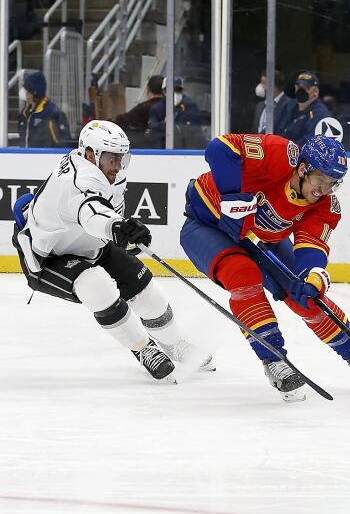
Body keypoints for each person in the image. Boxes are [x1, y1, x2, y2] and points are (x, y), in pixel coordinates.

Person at [179, 133, 350, 402]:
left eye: (332, 183)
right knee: (244, 276)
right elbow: (220, 148)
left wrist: (312, 277)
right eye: (319, 180)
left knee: (309, 297)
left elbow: (311, 247)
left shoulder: (326, 206)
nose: (323, 191)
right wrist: (233, 200)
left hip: (262, 239)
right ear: (302, 169)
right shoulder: (279, 153)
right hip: (206, 226)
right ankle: (273, 359)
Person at [10, 120, 213, 381]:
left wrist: (122, 233)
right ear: (91, 153)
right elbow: (90, 211)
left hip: (91, 243)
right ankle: (143, 348)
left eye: (121, 158)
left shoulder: (101, 168)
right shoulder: (79, 180)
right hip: (48, 257)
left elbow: (102, 211)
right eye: (111, 159)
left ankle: (173, 343)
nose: (117, 166)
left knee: (147, 292)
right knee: (96, 286)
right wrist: (117, 227)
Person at [274, 71, 331, 147]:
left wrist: (282, 146)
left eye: (306, 87)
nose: (300, 90)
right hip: (276, 151)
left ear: (315, 91)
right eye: (298, 86)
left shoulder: (320, 113)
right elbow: (273, 127)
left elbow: (308, 142)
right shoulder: (288, 105)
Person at [17, 70, 70, 148]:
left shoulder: (52, 113)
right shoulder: (24, 113)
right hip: (25, 159)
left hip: (44, 159)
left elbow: (62, 144)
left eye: (27, 91)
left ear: (34, 93)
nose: (24, 93)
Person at [147, 76, 202, 147]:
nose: (174, 93)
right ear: (163, 91)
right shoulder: (157, 108)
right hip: (162, 149)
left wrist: (173, 127)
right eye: (170, 90)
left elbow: (195, 130)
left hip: (186, 149)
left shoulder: (190, 106)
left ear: (182, 91)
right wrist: (164, 125)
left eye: (178, 90)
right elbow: (152, 129)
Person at [114, 75, 165, 148]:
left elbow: (121, 119)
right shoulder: (172, 108)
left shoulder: (143, 108)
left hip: (143, 147)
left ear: (148, 90)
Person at [252, 69, 292, 134]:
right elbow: (255, 129)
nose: (260, 86)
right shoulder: (260, 106)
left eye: (263, 83)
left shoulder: (289, 105)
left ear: (272, 85)